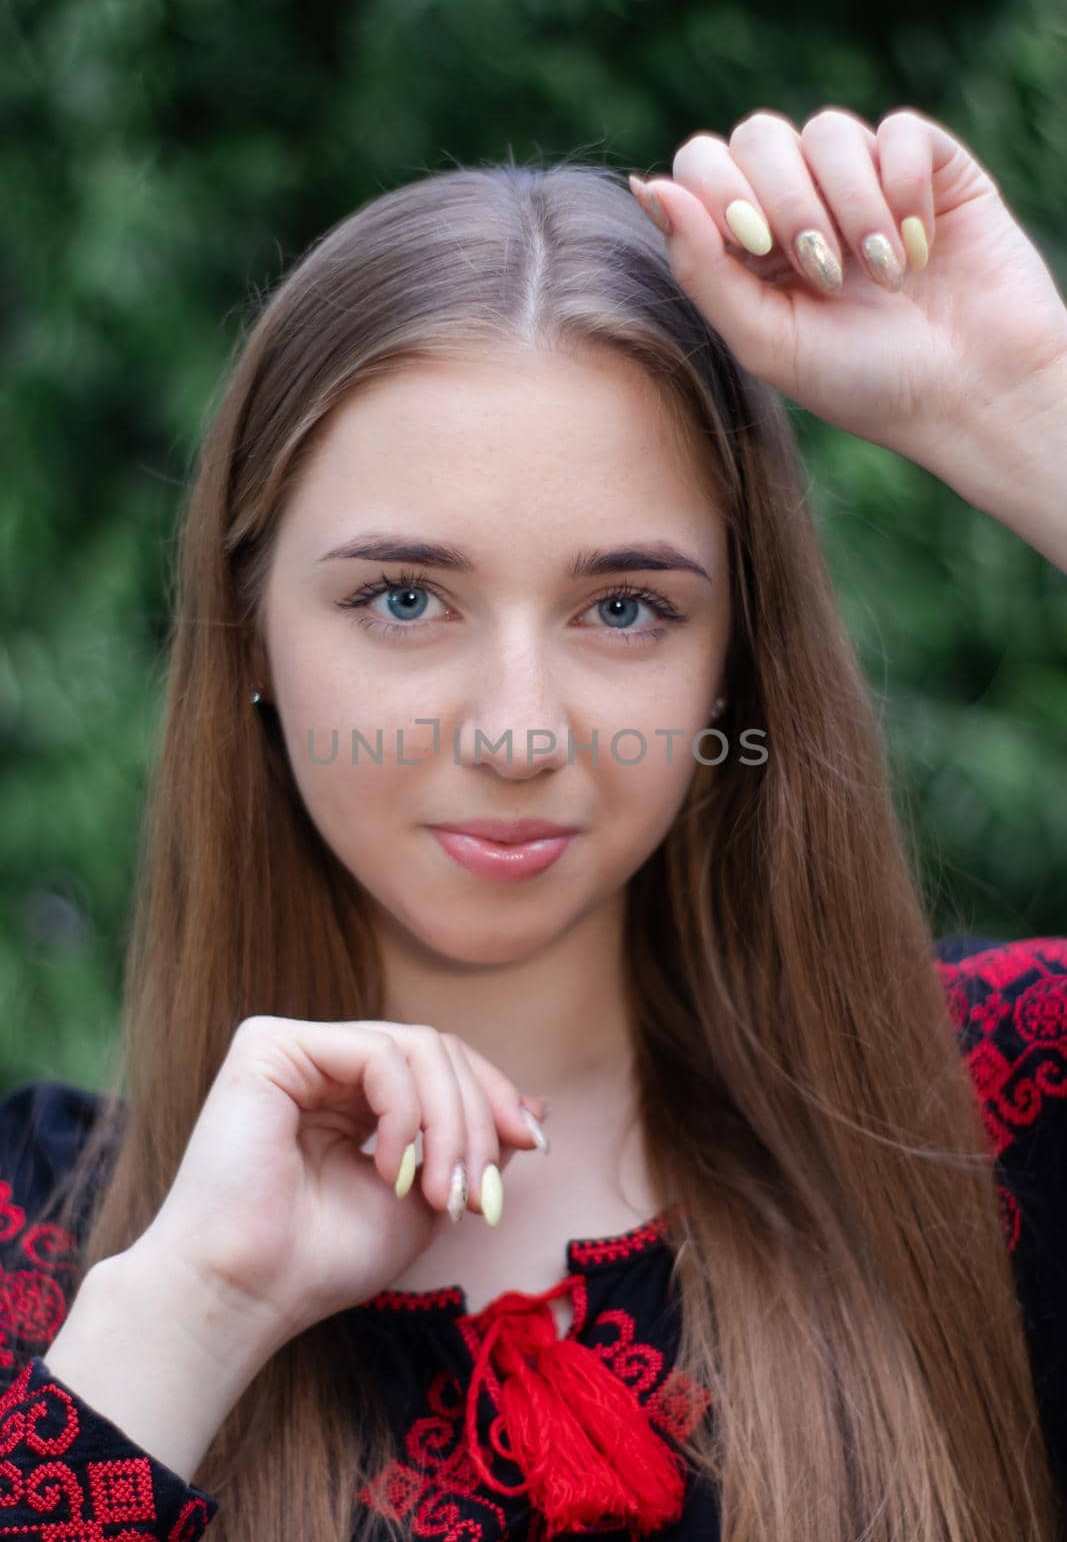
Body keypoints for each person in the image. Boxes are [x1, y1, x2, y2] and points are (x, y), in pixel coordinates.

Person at [1, 106, 1066, 1542]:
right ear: (251, 631)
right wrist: (190, 1314)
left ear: (734, 654)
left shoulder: (989, 1120)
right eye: (403, 600)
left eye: (624, 608)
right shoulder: (40, 1253)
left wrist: (1024, 405)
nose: (515, 733)